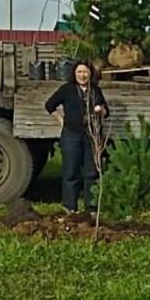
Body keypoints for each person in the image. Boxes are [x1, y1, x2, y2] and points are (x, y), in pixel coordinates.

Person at [45, 60, 108, 213]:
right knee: (70, 172)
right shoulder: (67, 89)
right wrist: (62, 121)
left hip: (92, 136)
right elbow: (49, 105)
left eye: (85, 72)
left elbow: (106, 112)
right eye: (79, 72)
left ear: (90, 74)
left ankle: (91, 208)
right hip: (71, 135)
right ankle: (70, 207)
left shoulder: (95, 91)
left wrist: (100, 110)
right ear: (74, 73)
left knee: (91, 172)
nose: (82, 75)